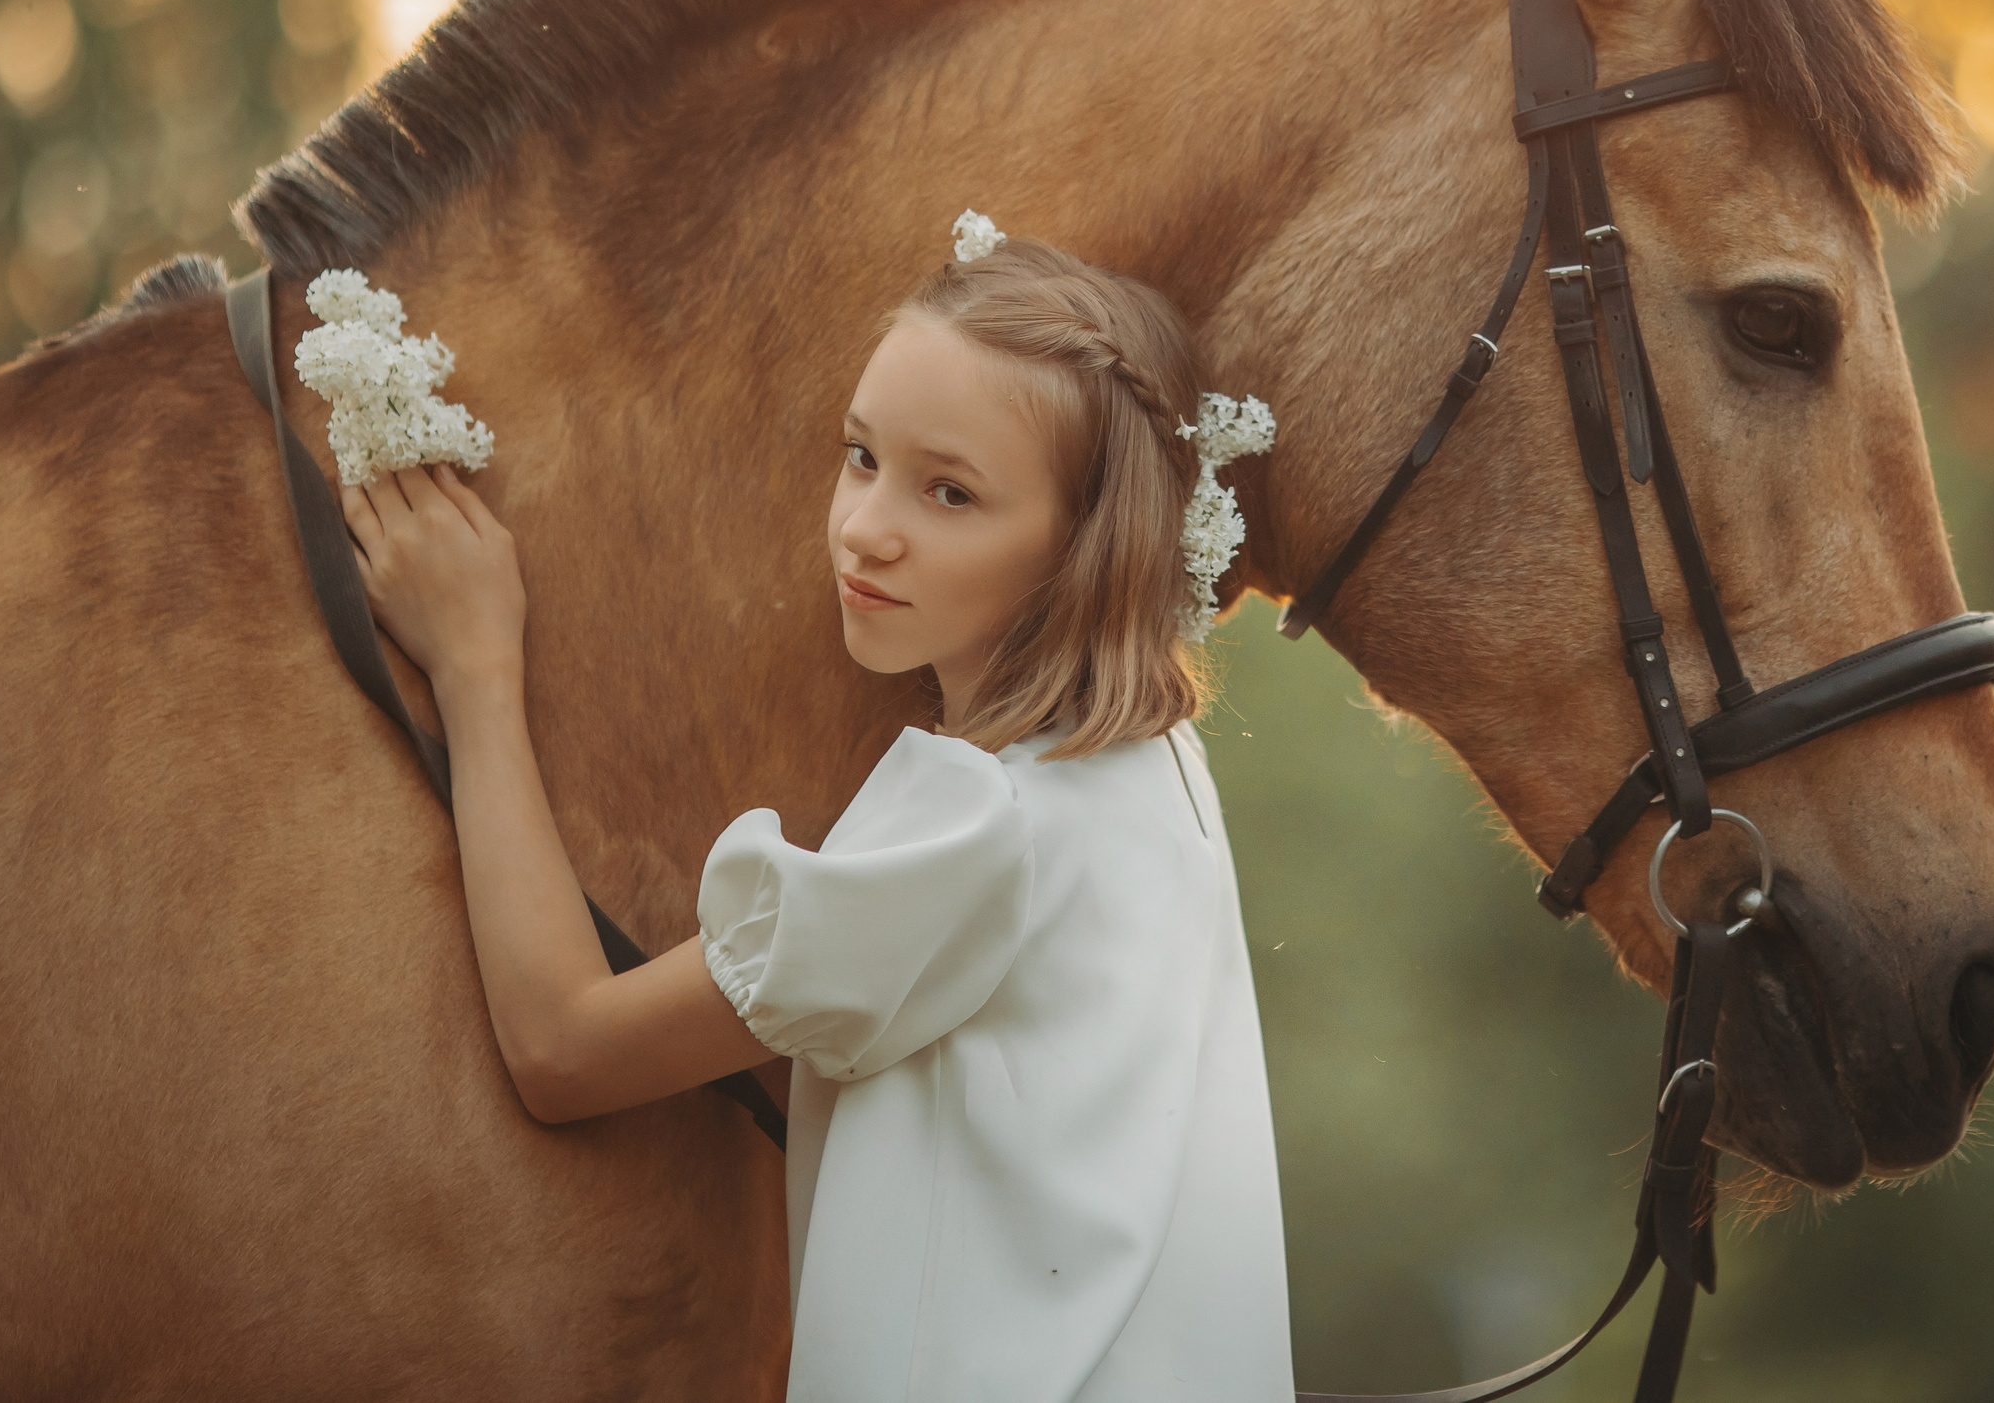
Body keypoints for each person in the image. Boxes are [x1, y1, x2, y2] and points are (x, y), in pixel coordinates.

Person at [342, 222, 1292, 1402]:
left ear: (1083, 549)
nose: (864, 528)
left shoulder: (973, 829)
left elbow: (563, 1047)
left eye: (950, 493)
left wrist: (476, 669)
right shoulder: (1158, 773)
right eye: (859, 456)